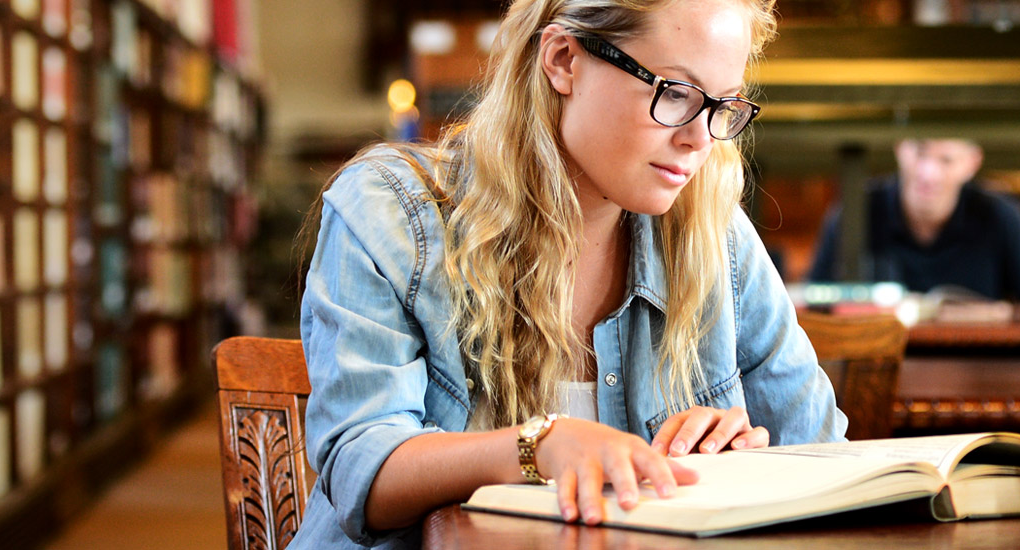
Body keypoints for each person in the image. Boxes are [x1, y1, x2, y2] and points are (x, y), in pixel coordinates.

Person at [292, 0, 846, 547]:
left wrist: (750, 462)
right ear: (563, 60)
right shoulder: (393, 214)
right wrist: (538, 446)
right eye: (675, 93)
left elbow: (826, 456)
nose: (700, 138)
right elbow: (361, 473)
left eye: (722, 105)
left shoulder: (714, 234)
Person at [807, 138, 1020, 302]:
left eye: (946, 159)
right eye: (920, 153)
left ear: (972, 163)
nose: (929, 173)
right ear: (900, 148)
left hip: (976, 367)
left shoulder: (1002, 215)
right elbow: (812, 300)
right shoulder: (854, 212)